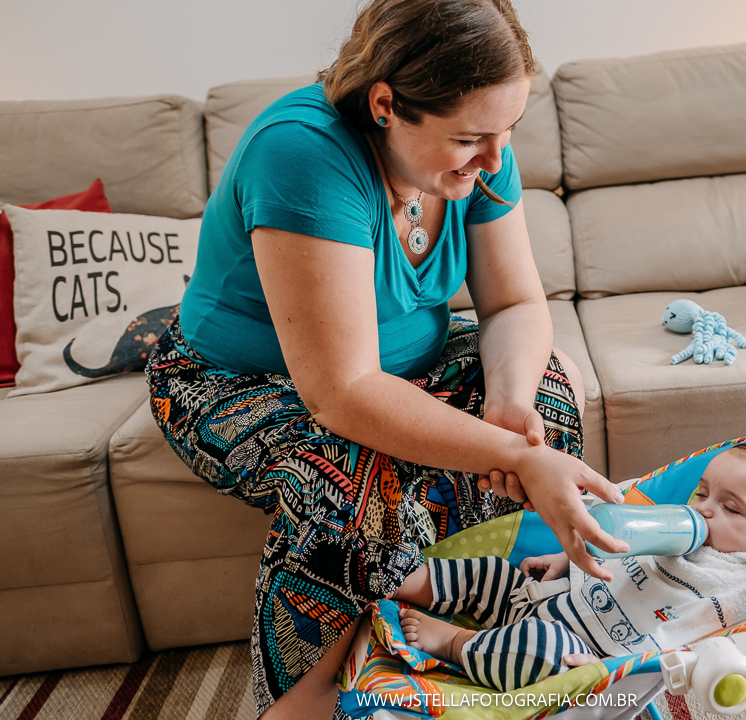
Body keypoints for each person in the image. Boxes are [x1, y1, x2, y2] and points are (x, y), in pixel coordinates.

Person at [145, 0, 629, 717]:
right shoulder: (302, 153)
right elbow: (341, 393)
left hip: (406, 364)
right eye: (471, 139)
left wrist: (509, 411)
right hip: (239, 379)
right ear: (386, 105)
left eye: (507, 134)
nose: (496, 162)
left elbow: (516, 307)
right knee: (352, 481)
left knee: (549, 390)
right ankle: (308, 702)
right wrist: (512, 457)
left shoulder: (481, 151)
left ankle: (477, 631)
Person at [392, 442, 746, 692]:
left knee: (539, 652)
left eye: (730, 508)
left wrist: (614, 669)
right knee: (491, 573)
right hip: (545, 597)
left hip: (583, 652)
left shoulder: (742, 583)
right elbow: (619, 545)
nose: (704, 511)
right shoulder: (676, 527)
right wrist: (566, 558)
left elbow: (692, 639)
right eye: (703, 494)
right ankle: (411, 580)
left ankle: (456, 643)